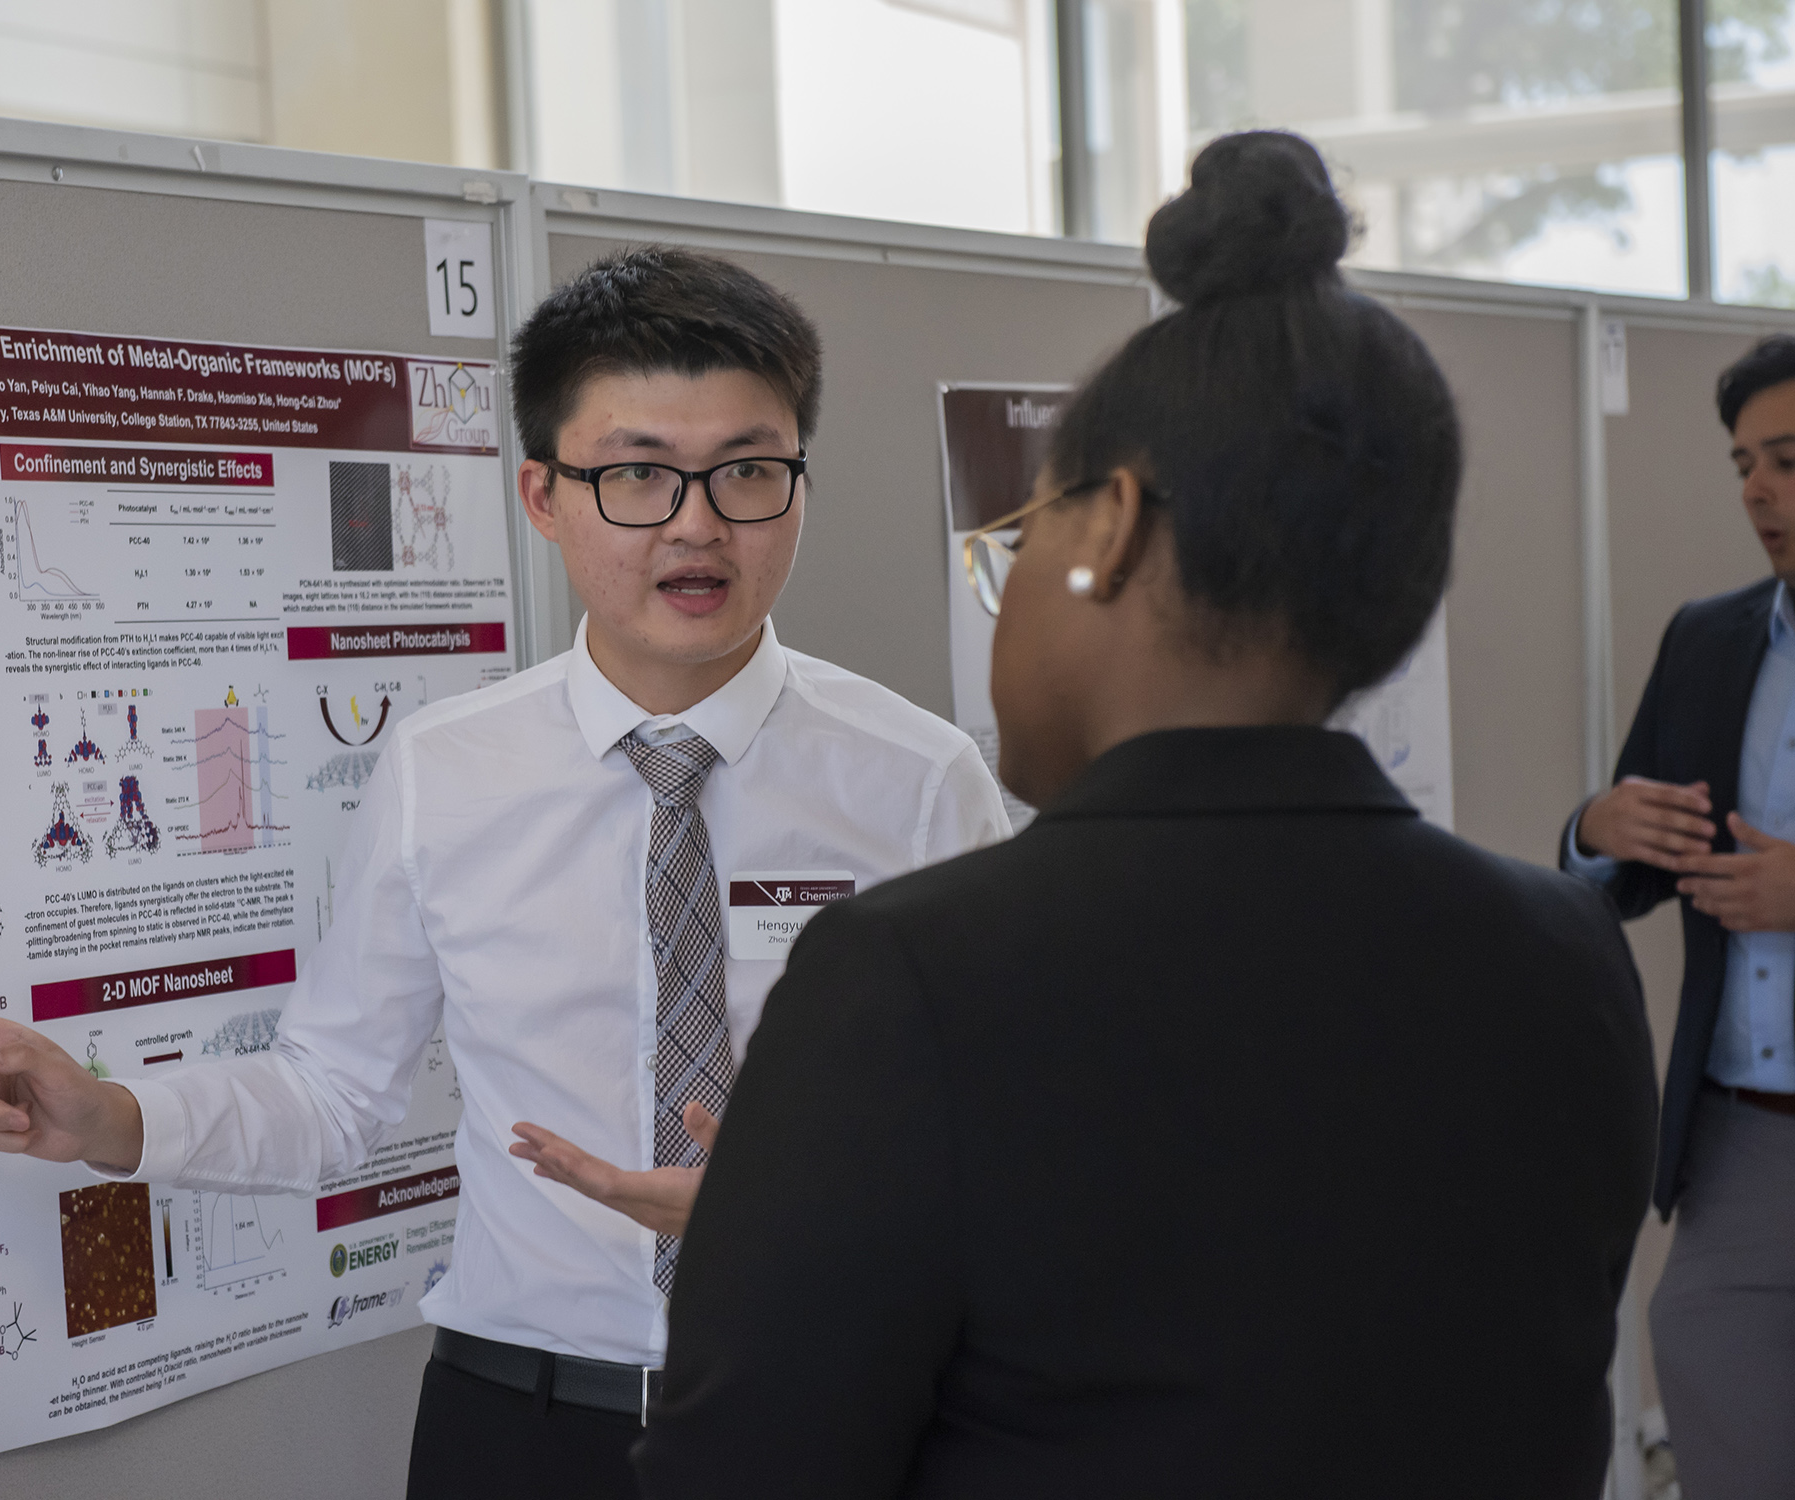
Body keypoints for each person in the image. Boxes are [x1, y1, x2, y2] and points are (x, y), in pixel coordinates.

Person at [0, 246, 1010, 1499]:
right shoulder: (445, 768)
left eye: (747, 470)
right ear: (543, 493)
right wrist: (111, 1118)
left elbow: (1019, 1135)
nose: (696, 522)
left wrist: (802, 1204)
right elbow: (331, 1091)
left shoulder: (917, 779)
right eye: (637, 473)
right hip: (522, 1427)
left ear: (799, 484)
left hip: (840, 1409)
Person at [633, 131, 1658, 1500]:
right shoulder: (1560, 948)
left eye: (1022, 537)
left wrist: (762, 1251)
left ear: (1108, 526)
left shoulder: (913, 976)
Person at [1561, 331, 1795, 1496]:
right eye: (1744, 463)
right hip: (1742, 1138)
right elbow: (1635, 864)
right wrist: (1595, 828)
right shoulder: (1709, 638)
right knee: (1712, 1389)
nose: (1759, 489)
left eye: (1789, 459)